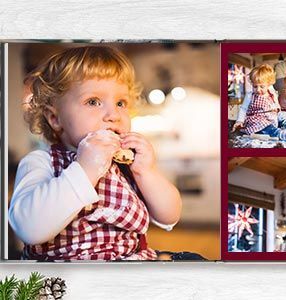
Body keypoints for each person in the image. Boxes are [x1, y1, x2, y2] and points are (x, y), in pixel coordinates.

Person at [9, 46, 183, 260]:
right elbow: (30, 228)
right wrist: (85, 169)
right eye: (93, 102)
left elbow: (170, 217)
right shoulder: (41, 162)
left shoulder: (125, 165)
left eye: (121, 103)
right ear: (55, 118)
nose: (113, 115)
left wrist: (146, 172)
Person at [232, 64, 286, 142]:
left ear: (269, 84)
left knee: (283, 115)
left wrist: (277, 108)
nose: (258, 90)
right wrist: (239, 121)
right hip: (258, 120)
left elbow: (275, 100)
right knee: (270, 130)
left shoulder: (271, 91)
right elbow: (243, 109)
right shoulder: (250, 95)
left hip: (272, 116)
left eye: (262, 86)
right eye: (255, 86)